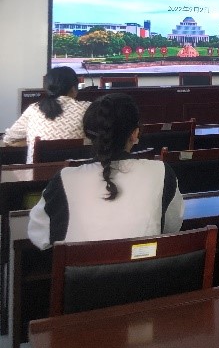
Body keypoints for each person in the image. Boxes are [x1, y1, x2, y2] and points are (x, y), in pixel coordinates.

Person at [28, 93, 184, 250]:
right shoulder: (161, 172)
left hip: (82, 266)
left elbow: (40, 234)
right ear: (135, 134)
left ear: (88, 134)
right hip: (145, 264)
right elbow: (172, 227)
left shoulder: (65, 179)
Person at [1, 66, 91, 163]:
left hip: (37, 171)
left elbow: (9, 139)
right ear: (73, 89)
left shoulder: (33, 109)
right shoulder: (87, 108)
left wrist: (31, 142)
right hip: (75, 170)